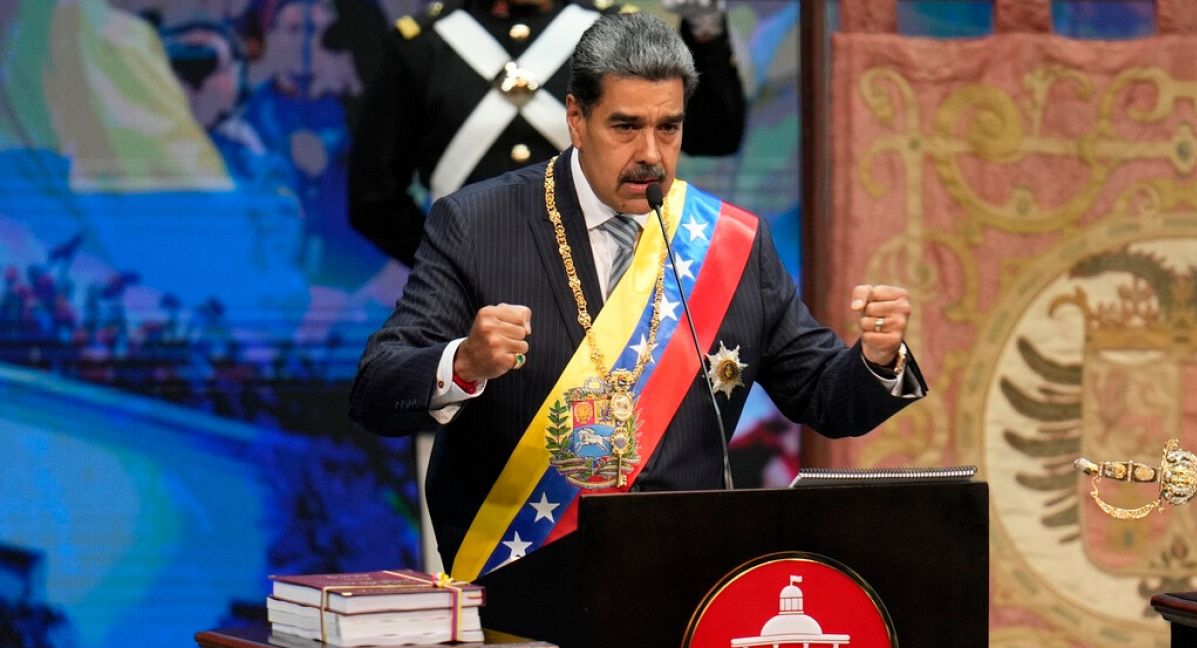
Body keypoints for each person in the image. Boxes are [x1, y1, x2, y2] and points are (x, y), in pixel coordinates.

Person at [349, 12, 926, 580]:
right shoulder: (476, 224)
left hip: (687, 580)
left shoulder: (733, 244)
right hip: (524, 583)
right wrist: (465, 363)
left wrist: (878, 360)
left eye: (668, 128)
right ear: (576, 119)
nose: (651, 153)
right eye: (625, 127)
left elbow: (824, 397)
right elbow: (377, 389)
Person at [347, 0, 747, 267]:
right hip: (472, 307)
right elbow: (373, 198)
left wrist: (705, 28)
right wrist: (450, 265)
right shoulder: (422, 45)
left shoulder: (615, 31)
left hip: (606, 287)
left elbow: (715, 136)